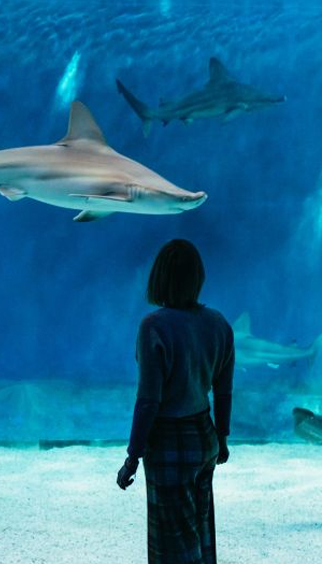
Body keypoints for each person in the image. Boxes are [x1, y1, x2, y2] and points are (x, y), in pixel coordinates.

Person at [116, 239, 235, 564]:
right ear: (198, 277)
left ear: (160, 278)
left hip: (168, 441)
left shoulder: (154, 326)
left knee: (170, 540)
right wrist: (222, 438)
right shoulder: (219, 324)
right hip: (204, 436)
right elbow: (223, 390)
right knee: (200, 527)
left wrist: (133, 456)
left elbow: (149, 401)